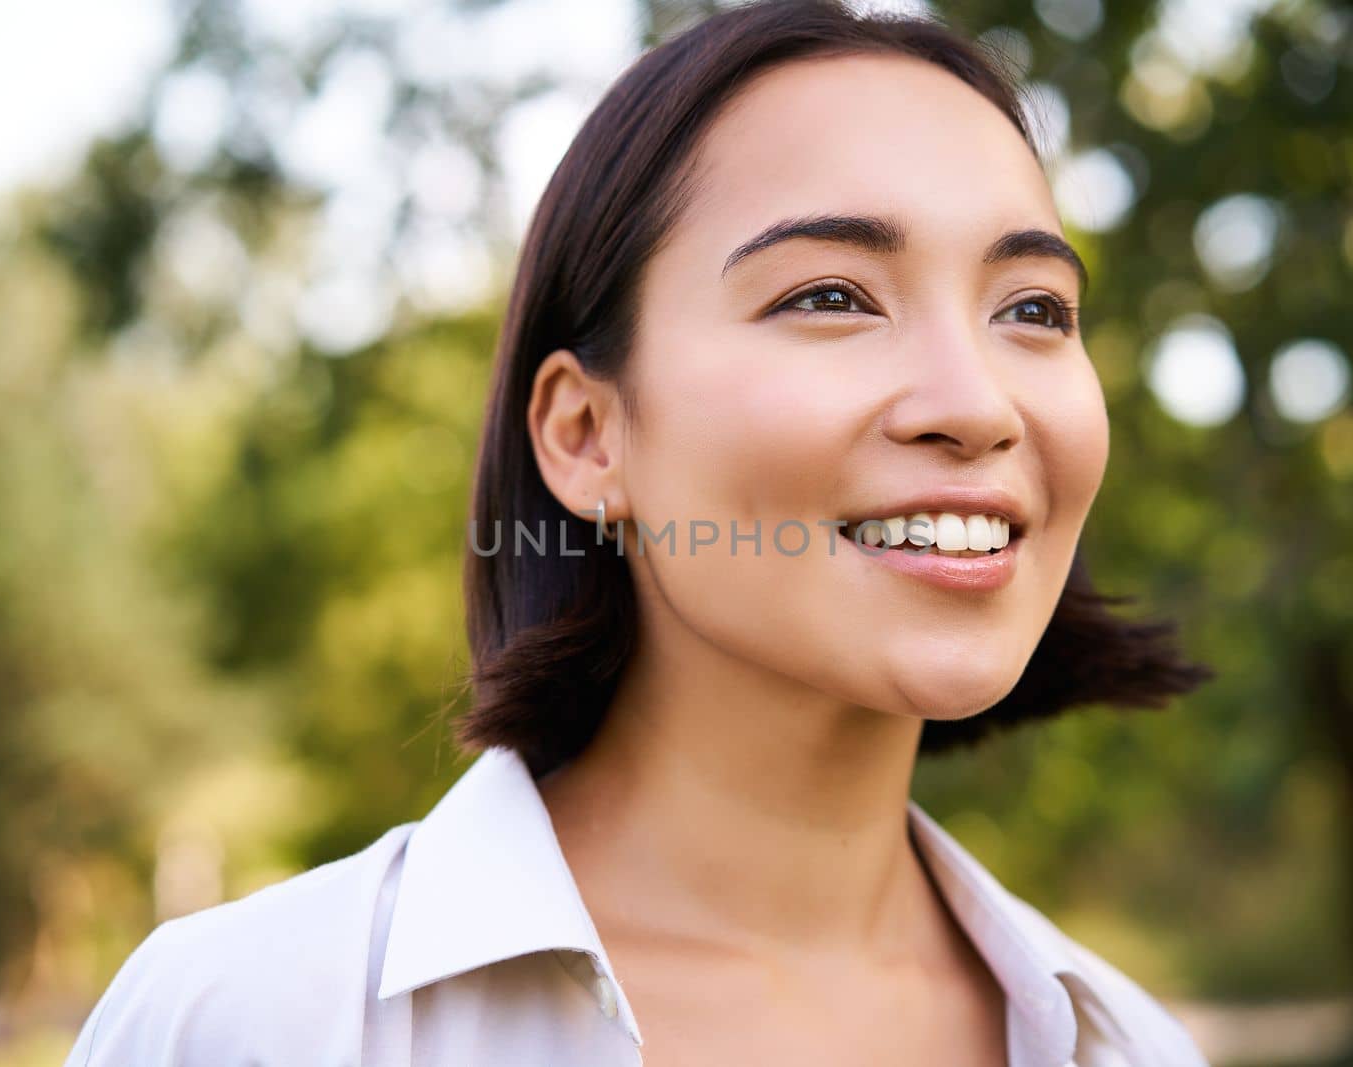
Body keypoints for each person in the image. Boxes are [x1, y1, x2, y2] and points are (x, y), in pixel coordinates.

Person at [65, 1, 1216, 1064]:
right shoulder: (254, 1020)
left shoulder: (1128, 1047)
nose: (974, 404)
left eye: (1032, 310)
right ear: (585, 433)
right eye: (831, 296)